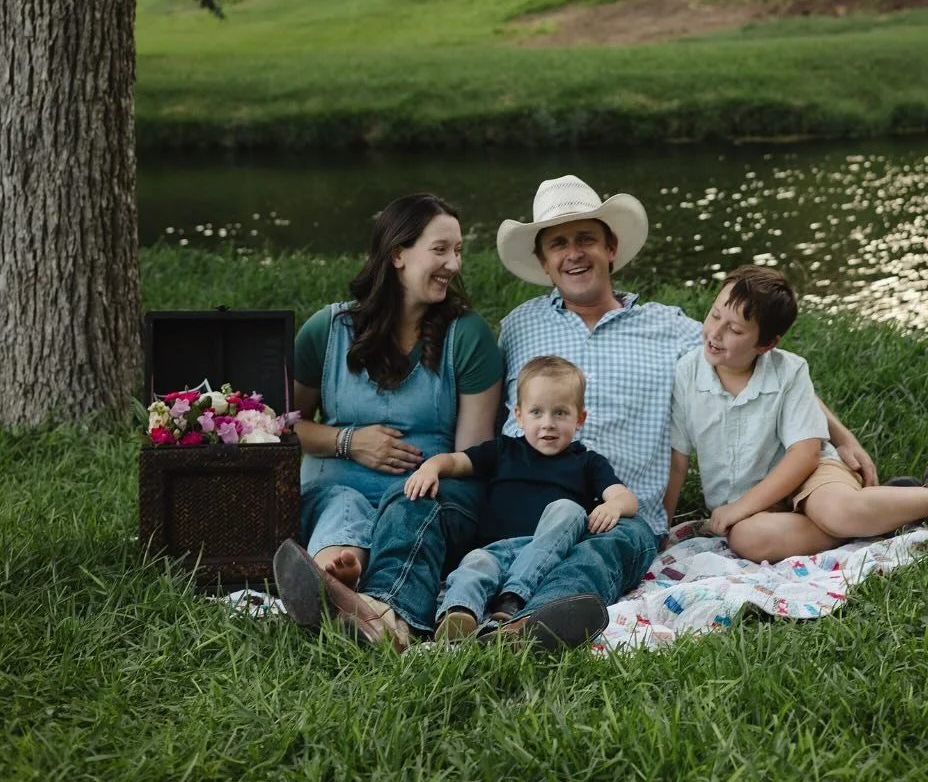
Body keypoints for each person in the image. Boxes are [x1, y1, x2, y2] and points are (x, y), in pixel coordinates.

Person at [477, 174, 879, 646]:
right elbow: (483, 407)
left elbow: (766, 369)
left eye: (586, 238)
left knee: (599, 555)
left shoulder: (669, 329)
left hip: (620, 513)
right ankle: (431, 613)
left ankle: (534, 626)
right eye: (558, 243)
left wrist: (844, 438)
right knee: (477, 542)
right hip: (524, 501)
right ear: (545, 262)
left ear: (611, 247)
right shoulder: (519, 326)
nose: (573, 253)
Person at [272, 192, 503, 647]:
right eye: (440, 250)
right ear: (398, 253)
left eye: (458, 251)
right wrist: (349, 442)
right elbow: (282, 427)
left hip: (432, 493)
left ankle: (381, 612)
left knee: (409, 500)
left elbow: (475, 452)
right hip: (337, 482)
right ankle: (335, 574)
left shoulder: (467, 335)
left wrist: (430, 471)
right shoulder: (328, 330)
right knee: (341, 505)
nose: (454, 264)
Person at [664, 264, 928, 563]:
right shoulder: (687, 373)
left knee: (836, 511)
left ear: (766, 345)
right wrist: (659, 529)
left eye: (736, 330)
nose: (716, 332)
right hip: (754, 505)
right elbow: (678, 460)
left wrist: (741, 507)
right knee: (747, 539)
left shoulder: (789, 372)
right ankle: (880, 512)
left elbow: (805, 455)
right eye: (714, 314)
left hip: (810, 476)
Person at [403, 354, 638, 642]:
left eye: (560, 413)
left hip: (548, 554)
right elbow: (455, 461)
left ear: (580, 418)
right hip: (495, 550)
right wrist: (430, 468)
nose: (548, 423)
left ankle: (512, 601)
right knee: (475, 564)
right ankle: (458, 615)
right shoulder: (503, 451)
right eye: (536, 412)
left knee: (568, 509)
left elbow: (625, 498)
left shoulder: (587, 462)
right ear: (518, 415)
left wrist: (613, 505)